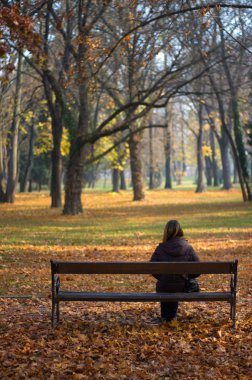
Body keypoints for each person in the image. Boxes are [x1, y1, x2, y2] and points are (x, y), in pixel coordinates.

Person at [150, 219, 200, 322]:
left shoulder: (160, 248)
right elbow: (198, 269)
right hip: (182, 286)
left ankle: (167, 317)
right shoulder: (187, 248)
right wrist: (185, 276)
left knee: (166, 285)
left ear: (166, 232)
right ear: (180, 231)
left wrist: (163, 277)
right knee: (176, 284)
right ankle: (170, 318)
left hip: (164, 286)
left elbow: (152, 268)